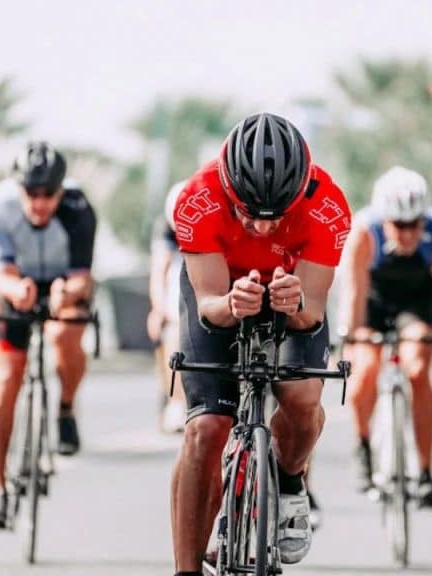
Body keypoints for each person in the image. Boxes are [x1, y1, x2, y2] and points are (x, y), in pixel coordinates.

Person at [169, 113, 351, 576]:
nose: (264, 228)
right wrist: (231, 302)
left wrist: (295, 303)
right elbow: (208, 301)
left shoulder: (328, 206)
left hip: (292, 290)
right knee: (207, 427)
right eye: (249, 213)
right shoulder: (198, 198)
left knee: (303, 398)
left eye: (278, 216)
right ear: (228, 190)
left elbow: (312, 311)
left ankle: (291, 480)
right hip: (222, 290)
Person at [0, 142, 97, 529]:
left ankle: (65, 406)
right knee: (5, 377)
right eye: (31, 193)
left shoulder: (78, 209)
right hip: (15, 286)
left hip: (64, 285)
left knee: (66, 334)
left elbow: (83, 276)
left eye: (48, 195)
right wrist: (18, 292)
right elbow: (0, 273)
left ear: (61, 190)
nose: (40, 203)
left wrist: (67, 292)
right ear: (19, 187)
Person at [340, 166, 432, 508]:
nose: (409, 234)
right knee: (364, 368)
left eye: (415, 224)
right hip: (374, 304)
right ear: (384, 220)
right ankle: (363, 445)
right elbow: (354, 293)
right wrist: (348, 341)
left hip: (415, 304)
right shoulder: (365, 232)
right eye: (399, 225)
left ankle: (424, 472)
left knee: (418, 369)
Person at [148, 181, 187, 433]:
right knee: (172, 336)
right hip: (176, 297)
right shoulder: (164, 228)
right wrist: (158, 310)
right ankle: (174, 400)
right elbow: (159, 270)